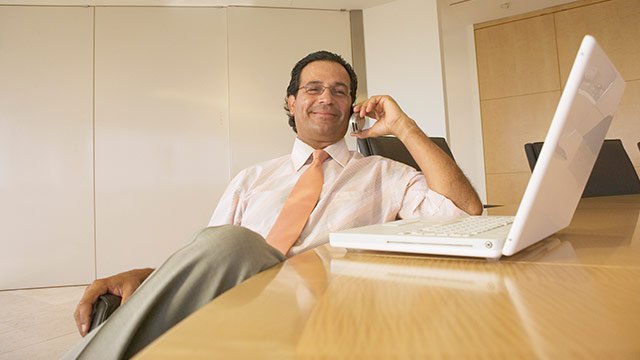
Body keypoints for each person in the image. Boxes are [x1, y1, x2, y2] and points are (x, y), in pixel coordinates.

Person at [66, 50, 482, 359]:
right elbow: (213, 259)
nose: (326, 98)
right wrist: (152, 276)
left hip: (323, 309)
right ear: (290, 102)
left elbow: (463, 214)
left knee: (233, 243)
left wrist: (404, 127)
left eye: (340, 91)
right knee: (229, 244)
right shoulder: (252, 178)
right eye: (313, 88)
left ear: (352, 107)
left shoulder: (383, 173)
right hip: (236, 302)